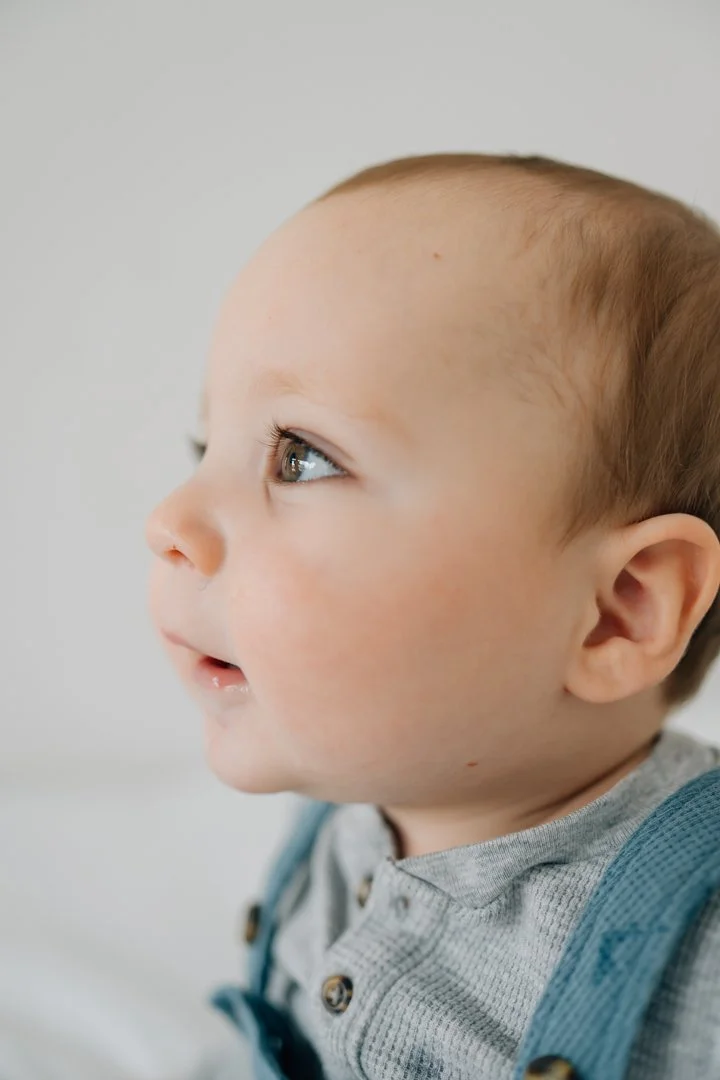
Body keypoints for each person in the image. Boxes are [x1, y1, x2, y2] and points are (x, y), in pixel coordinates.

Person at [145, 153, 720, 1080]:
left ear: (619, 612)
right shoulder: (356, 816)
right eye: (206, 445)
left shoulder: (698, 968)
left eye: (300, 457)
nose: (169, 523)